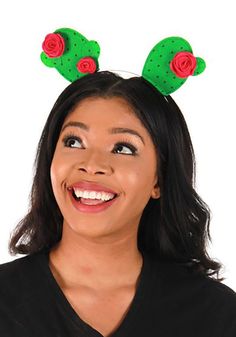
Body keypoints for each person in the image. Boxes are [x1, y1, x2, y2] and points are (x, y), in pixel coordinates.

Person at [0, 28, 236, 337]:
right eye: (74, 141)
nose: (92, 164)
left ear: (159, 179)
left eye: (123, 148)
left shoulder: (216, 314)